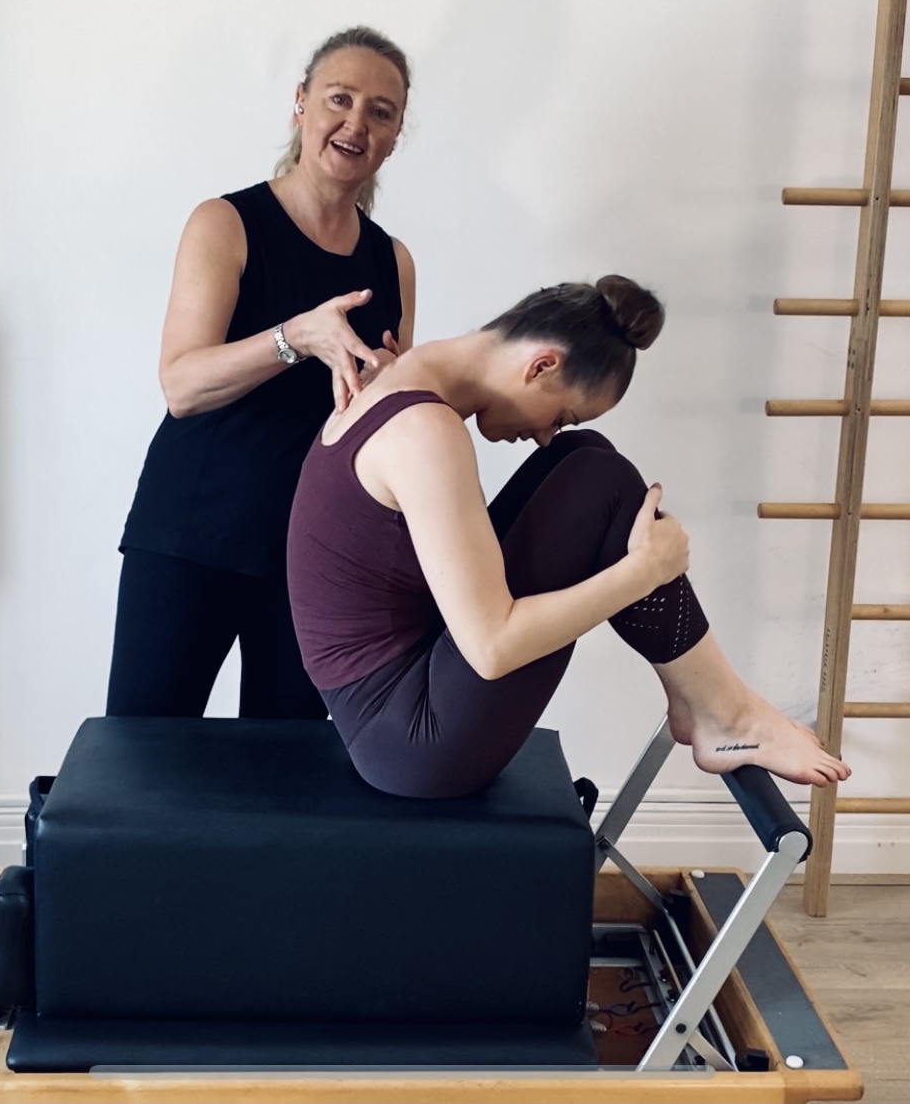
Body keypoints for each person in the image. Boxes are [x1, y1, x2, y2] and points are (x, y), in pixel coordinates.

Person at [286, 277, 851, 798]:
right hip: (412, 739)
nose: (544, 436)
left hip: (402, 698)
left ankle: (710, 704)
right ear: (542, 366)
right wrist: (641, 575)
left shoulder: (398, 386)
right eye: (562, 415)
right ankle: (722, 711)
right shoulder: (421, 431)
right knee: (600, 481)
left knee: (587, 458)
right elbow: (492, 649)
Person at [110, 27, 416, 719]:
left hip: (314, 557)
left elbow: (374, 431)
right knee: (142, 763)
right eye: (340, 98)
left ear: (396, 135)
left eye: (381, 111)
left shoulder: (393, 261)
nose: (356, 122)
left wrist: (392, 392)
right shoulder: (226, 223)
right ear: (302, 104)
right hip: (191, 538)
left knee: (287, 786)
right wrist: (295, 337)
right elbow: (181, 386)